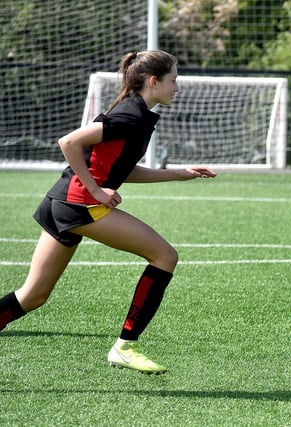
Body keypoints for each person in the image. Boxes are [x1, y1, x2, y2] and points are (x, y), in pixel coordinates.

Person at [0, 50, 217, 375]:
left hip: (62, 202)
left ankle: (124, 347)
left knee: (33, 296)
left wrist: (180, 173)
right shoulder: (130, 115)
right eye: (174, 81)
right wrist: (96, 190)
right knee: (164, 256)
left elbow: (122, 169)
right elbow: (69, 142)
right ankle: (125, 346)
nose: (177, 88)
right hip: (79, 204)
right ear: (154, 82)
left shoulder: (139, 115)